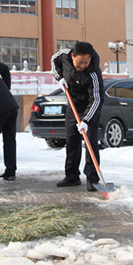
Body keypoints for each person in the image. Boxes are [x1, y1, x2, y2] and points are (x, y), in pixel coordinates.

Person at [51, 42, 104, 191]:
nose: (82, 65)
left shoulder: (93, 73)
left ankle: (93, 179)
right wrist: (59, 77)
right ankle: (72, 176)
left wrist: (86, 120)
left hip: (89, 108)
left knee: (90, 143)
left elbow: (97, 100)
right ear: (73, 56)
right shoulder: (65, 56)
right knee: (72, 141)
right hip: (72, 105)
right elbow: (54, 60)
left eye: (86, 62)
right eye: (79, 62)